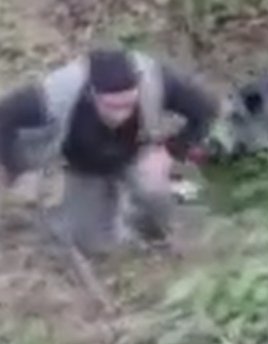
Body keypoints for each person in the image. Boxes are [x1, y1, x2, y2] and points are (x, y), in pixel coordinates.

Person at [0, 48, 218, 257]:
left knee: (158, 195)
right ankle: (76, 218)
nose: (122, 115)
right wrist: (13, 167)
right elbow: (5, 116)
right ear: (92, 94)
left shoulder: (159, 81)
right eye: (113, 107)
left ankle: (151, 223)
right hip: (85, 165)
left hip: (139, 153)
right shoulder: (60, 91)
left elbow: (208, 110)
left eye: (129, 105)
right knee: (95, 246)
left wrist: (169, 152)